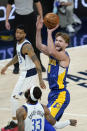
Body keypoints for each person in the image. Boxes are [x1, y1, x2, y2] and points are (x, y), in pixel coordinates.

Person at [1, 25, 46, 130]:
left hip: (29, 74)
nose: (18, 34)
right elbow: (18, 56)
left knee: (14, 97)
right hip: (24, 74)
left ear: (25, 34)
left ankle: (15, 122)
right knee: (27, 97)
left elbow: (37, 63)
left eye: (20, 33)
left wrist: (40, 79)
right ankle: (31, 117)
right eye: (17, 32)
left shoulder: (27, 46)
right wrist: (7, 66)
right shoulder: (19, 44)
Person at [36, 16, 70, 121]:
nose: (57, 42)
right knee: (52, 124)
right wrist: (38, 30)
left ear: (66, 45)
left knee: (46, 121)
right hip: (53, 94)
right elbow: (39, 46)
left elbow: (51, 51)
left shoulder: (64, 57)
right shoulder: (54, 54)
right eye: (56, 40)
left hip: (61, 95)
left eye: (61, 41)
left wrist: (49, 33)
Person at [5, 0, 46, 74]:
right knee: (17, 43)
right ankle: (16, 66)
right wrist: (6, 20)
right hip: (19, 18)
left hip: (30, 18)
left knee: (34, 42)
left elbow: (38, 3)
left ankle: (38, 64)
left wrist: (41, 18)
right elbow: (9, 5)